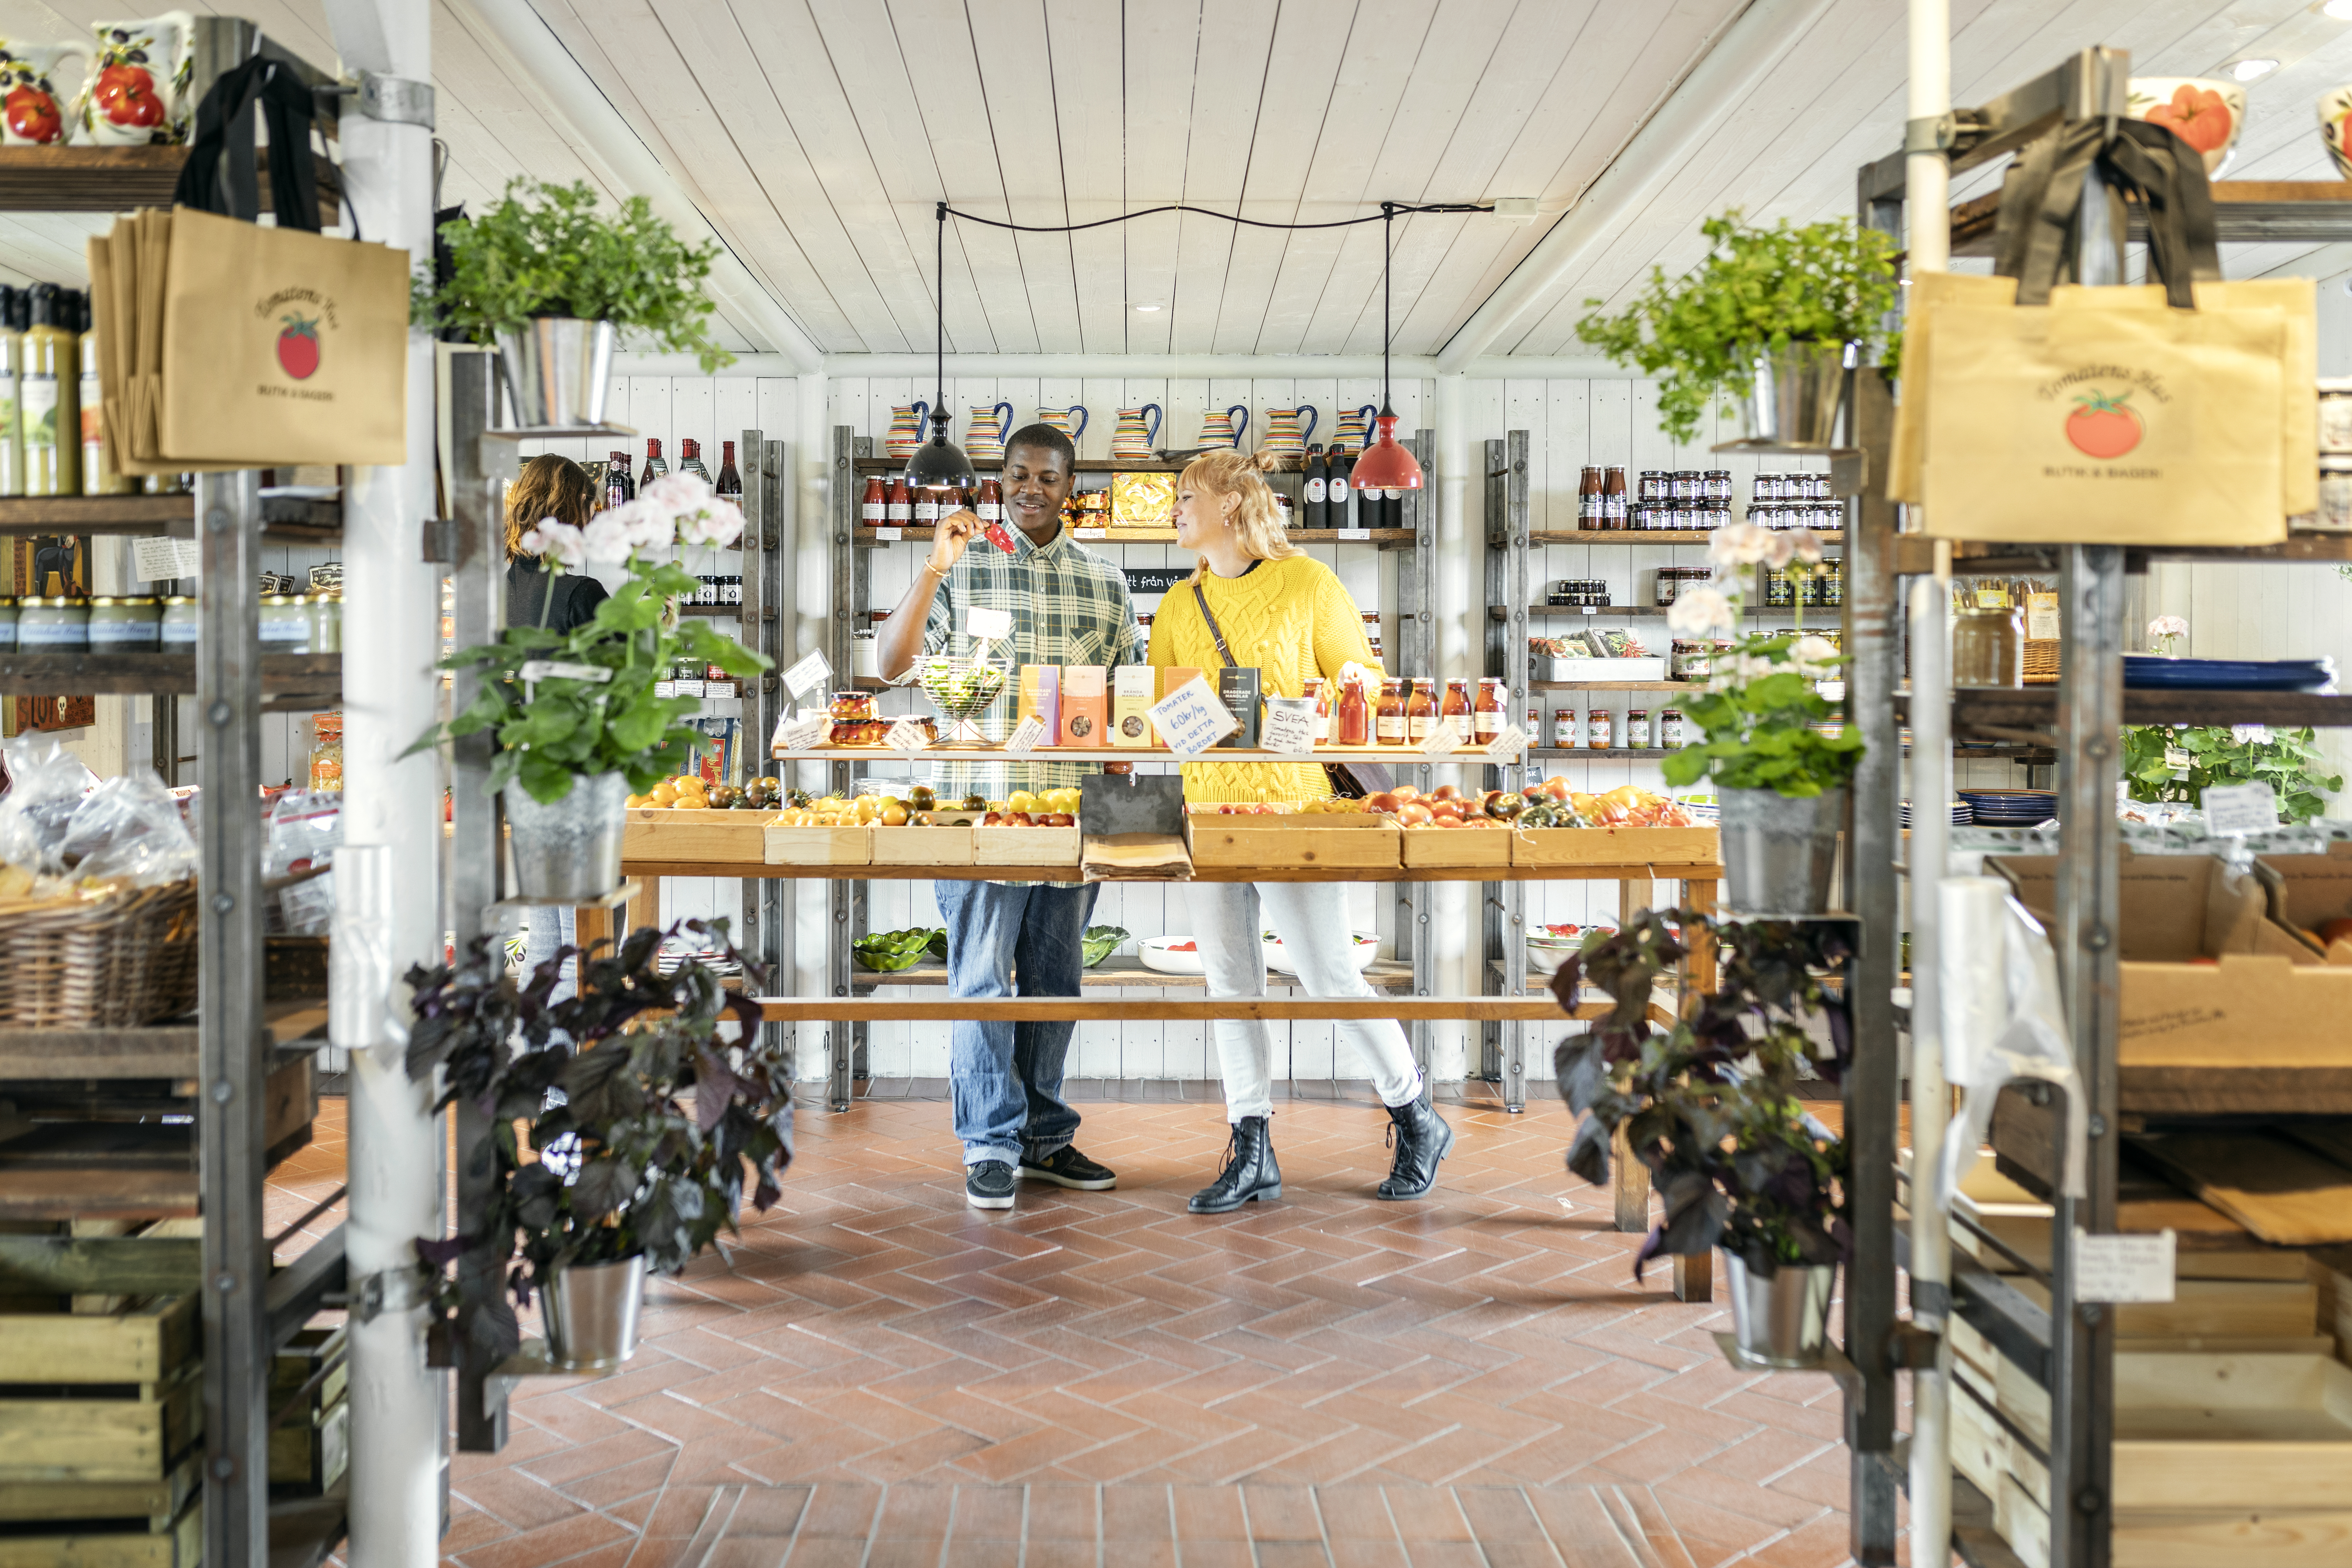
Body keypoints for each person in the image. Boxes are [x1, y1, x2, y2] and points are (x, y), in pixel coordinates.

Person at [1147, 448, 1452, 1213]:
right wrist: (1187, 723)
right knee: (1230, 984)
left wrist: (1315, 703)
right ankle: (1251, 1143)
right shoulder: (1180, 605)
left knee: (1327, 972)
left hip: (1296, 811)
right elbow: (1161, 712)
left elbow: (1364, 684)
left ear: (1233, 503)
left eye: (1189, 495)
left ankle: (1415, 1110)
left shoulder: (1309, 583)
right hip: (1208, 814)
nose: (1176, 508)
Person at [875, 424, 1141, 1210]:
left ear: (1070, 487)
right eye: (1018, 474)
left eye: (1048, 477)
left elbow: (1128, 697)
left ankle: (1045, 1137)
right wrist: (933, 565)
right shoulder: (964, 563)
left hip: (1072, 817)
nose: (1031, 487)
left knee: (1056, 984)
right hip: (980, 813)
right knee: (985, 981)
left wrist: (1125, 750)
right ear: (1000, 480)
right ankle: (990, 1142)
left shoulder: (1107, 582)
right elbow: (891, 666)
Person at [504, 454, 609, 1000]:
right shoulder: (580, 595)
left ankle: (535, 1079)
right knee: (579, 947)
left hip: (521, 785)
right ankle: (569, 1088)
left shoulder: (499, 592)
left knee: (544, 942)